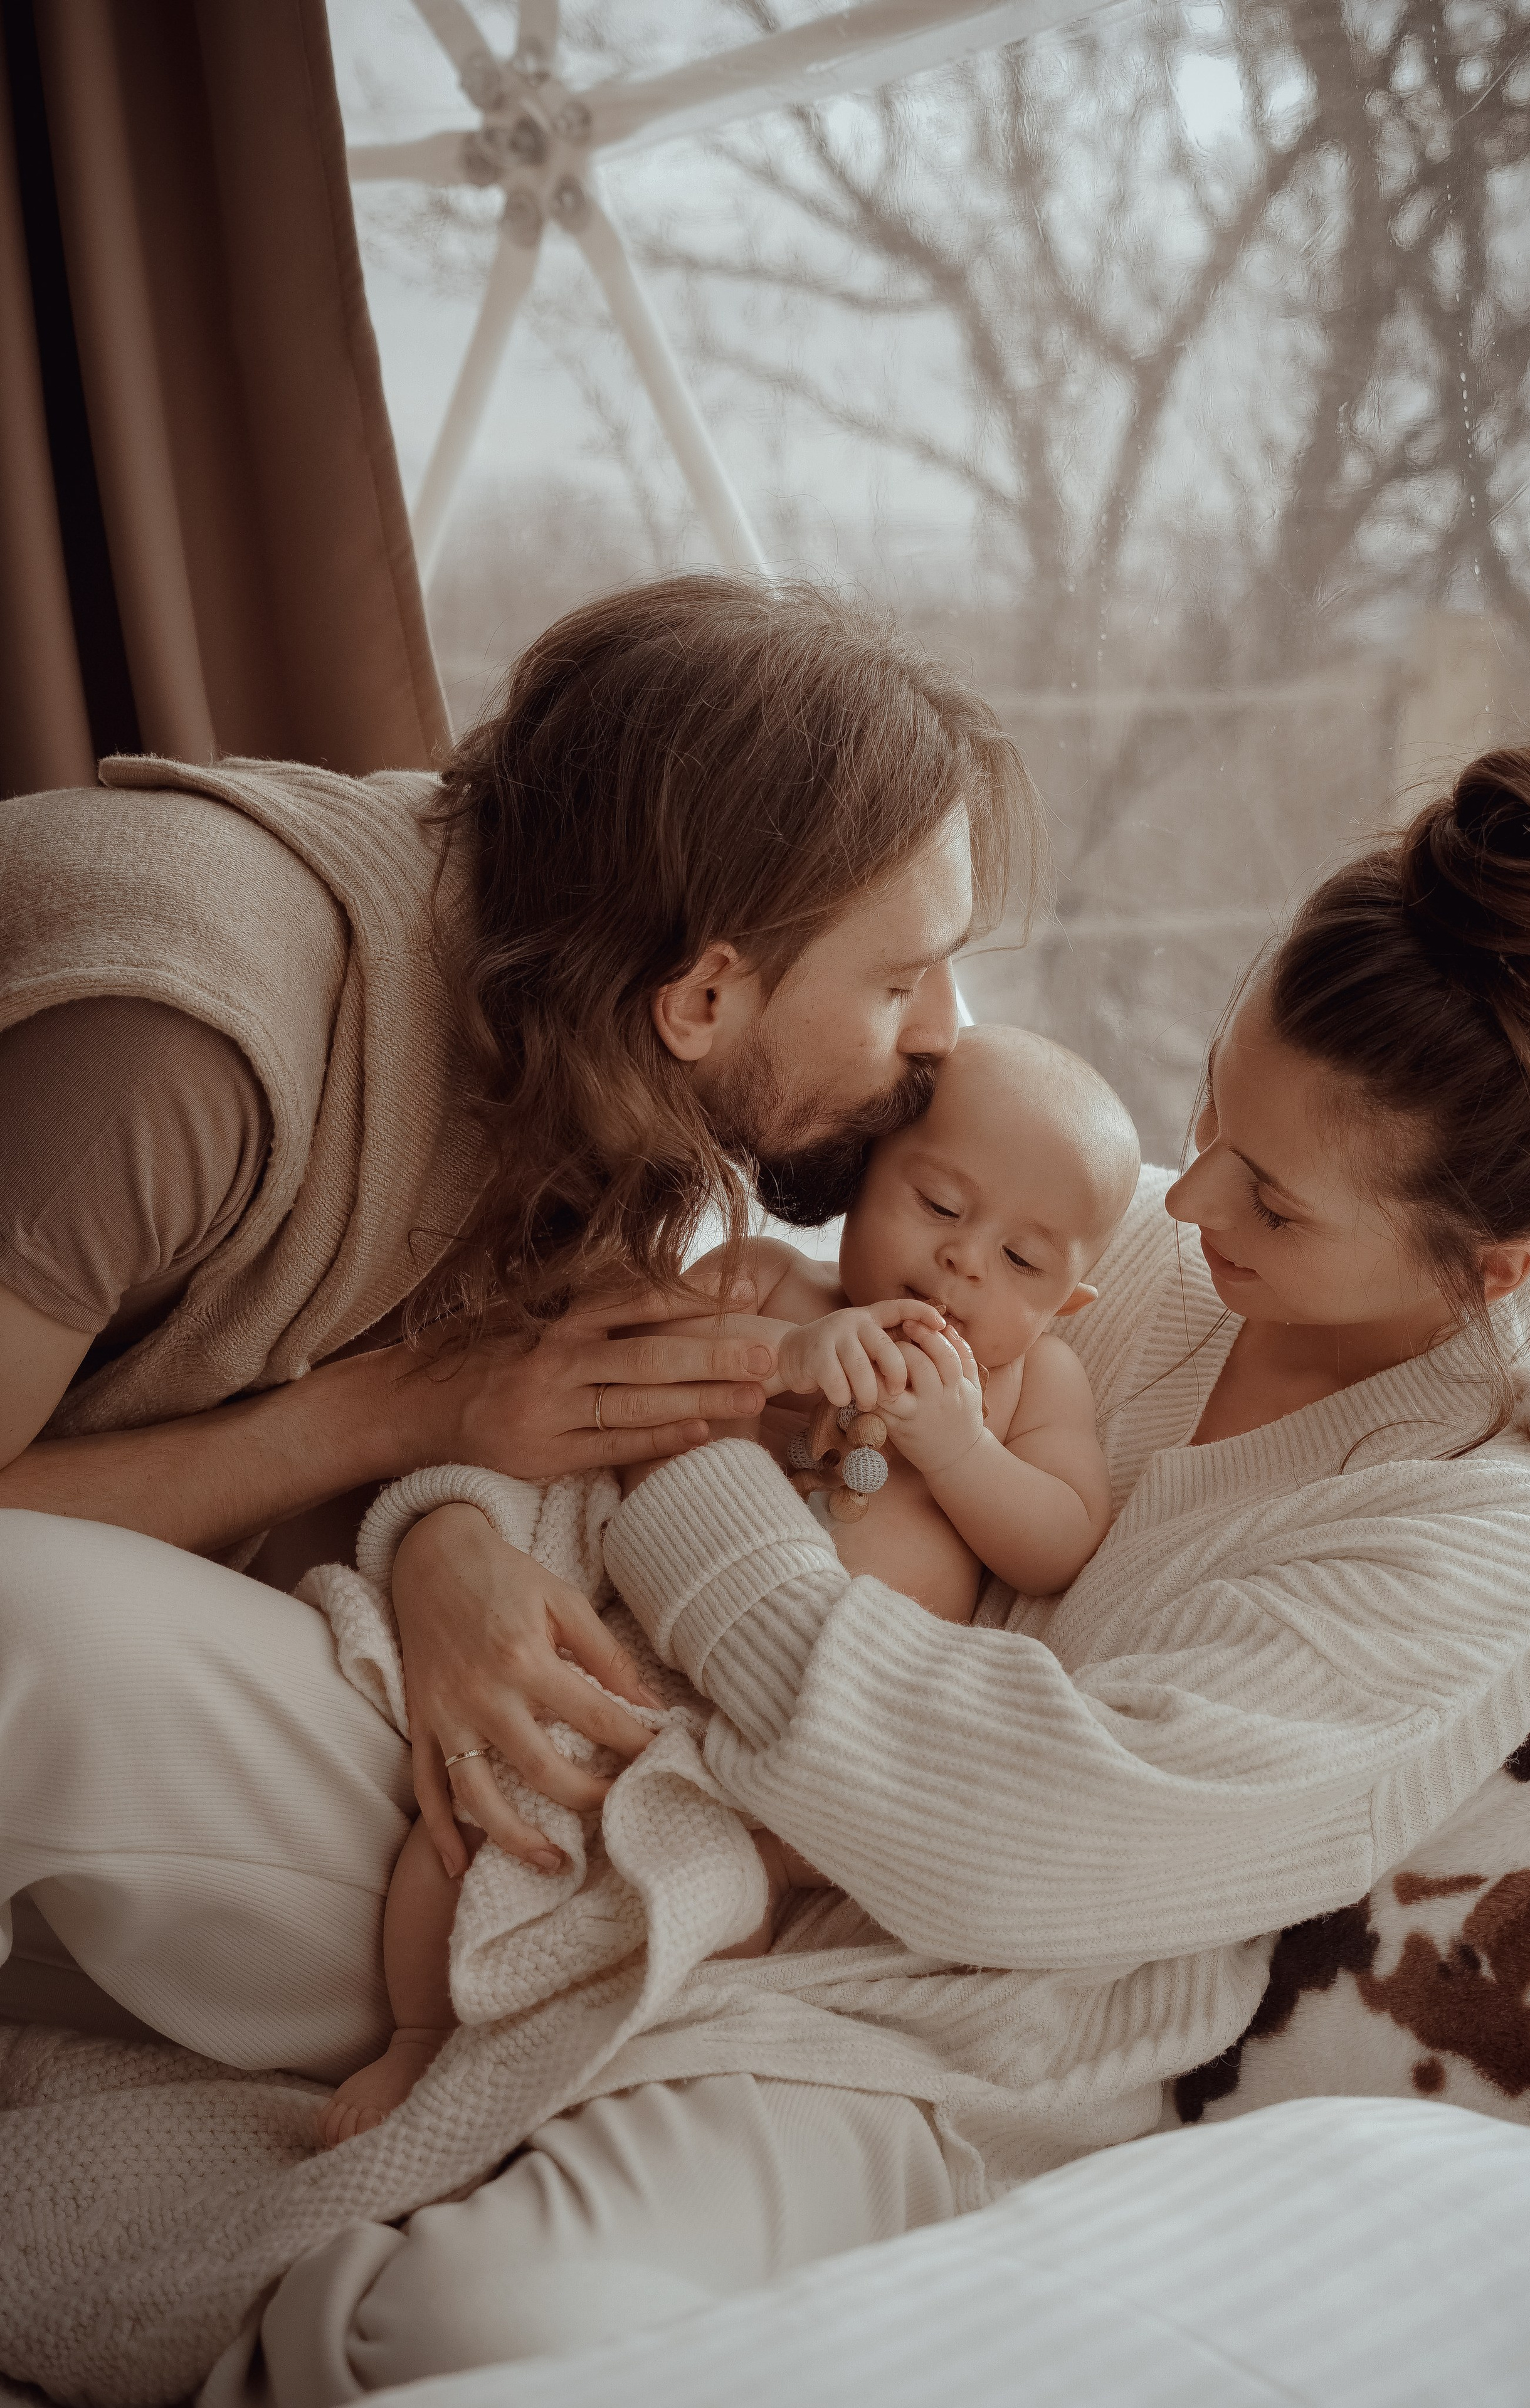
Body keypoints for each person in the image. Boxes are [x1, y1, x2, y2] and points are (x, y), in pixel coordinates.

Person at [199, 742, 1530, 2404]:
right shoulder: (1124, 1241)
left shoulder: (1488, 1539)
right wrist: (448, 1543)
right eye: (1217, 1104)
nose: (1194, 1192)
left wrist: (687, 1465)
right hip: (607, 1784)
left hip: (926, 2053)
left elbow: (1018, 1846)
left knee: (429, 2338)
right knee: (44, 1646)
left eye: (1275, 1202)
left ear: (1492, 1270)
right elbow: (666, 1334)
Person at [0, 573, 1042, 2074]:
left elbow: (472, 1374)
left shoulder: (568, 998)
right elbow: (395, 1390)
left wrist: (442, 1535)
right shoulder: (182, 1059)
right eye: (897, 978)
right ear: (703, 996)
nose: (944, 1029)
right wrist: (387, 1425)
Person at [314, 1025, 1139, 2148]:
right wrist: (788, 1355)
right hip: (627, 1655)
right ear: (864, 1177)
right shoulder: (763, 1281)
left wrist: (959, 1452)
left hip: (791, 1736)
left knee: (720, 1907)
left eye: (1024, 1262)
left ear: (1068, 1305)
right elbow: (623, 1362)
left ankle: (579, 2084)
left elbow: (1062, 1537)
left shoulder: (1033, 1380)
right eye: (940, 1206)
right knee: (463, 1831)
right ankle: (415, 2037)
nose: (965, 1263)